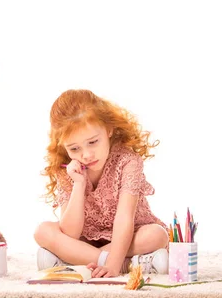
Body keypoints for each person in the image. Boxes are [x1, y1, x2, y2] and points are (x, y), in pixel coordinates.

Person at [34, 89, 170, 278]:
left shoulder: (128, 161)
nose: (86, 155)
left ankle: (72, 261)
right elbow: (70, 233)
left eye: (93, 142)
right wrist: (79, 184)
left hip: (128, 236)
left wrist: (112, 266)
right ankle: (128, 264)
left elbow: (125, 218)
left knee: (157, 235)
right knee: (43, 231)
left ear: (108, 129)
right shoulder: (68, 170)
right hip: (86, 240)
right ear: (63, 145)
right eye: (74, 148)